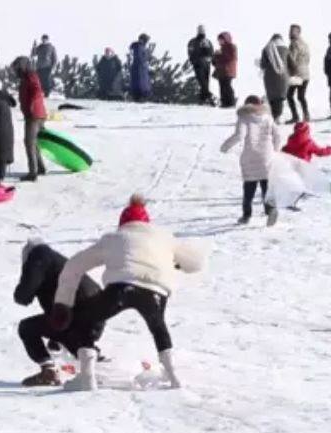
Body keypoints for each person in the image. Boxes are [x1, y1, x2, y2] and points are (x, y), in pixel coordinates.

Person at [51, 195, 204, 391]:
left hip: (120, 288)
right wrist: (179, 263)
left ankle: (87, 377)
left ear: (122, 223)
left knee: (85, 319)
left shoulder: (113, 238)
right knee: (158, 326)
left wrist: (63, 303)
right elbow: (196, 262)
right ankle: (173, 376)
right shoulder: (165, 238)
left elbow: (74, 266)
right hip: (156, 290)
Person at [15, 240, 104, 387]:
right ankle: (96, 363)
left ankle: (48, 371)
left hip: (78, 313)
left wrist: (25, 279)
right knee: (75, 342)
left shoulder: (38, 257)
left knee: (26, 328)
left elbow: (23, 296)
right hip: (95, 311)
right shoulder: (56, 263)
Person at [221, 95, 282, 225]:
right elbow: (278, 135)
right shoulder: (268, 117)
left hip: (250, 157)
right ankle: (271, 210)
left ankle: (246, 215)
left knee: (249, 188)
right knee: (267, 187)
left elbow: (239, 135)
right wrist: (275, 150)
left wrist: (225, 146)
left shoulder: (244, 117)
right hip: (267, 156)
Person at [14, 57, 48, 182]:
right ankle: (40, 168)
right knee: (34, 142)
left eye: (17, 67)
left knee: (29, 143)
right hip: (36, 114)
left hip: (34, 116)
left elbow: (36, 90)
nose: (15, 70)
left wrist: (31, 106)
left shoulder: (30, 76)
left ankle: (33, 173)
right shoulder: (27, 76)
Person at [260, 33, 289, 121]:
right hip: (284, 75)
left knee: (272, 97)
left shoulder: (266, 49)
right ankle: (278, 116)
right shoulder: (286, 49)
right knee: (280, 97)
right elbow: (291, 63)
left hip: (270, 76)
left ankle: (274, 116)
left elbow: (263, 64)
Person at [286, 24, 311, 123]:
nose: (290, 33)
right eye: (290, 30)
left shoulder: (294, 43)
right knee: (301, 96)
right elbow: (308, 58)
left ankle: (295, 116)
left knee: (289, 95)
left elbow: (292, 59)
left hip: (297, 74)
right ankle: (306, 115)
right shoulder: (305, 43)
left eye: (292, 31)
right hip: (306, 74)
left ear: (298, 32)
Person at [187, 25, 215, 105]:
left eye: (202, 30)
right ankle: (206, 98)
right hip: (199, 64)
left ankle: (204, 99)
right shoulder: (193, 41)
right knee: (202, 82)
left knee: (205, 82)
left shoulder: (207, 41)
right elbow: (190, 52)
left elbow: (211, 52)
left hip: (205, 63)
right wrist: (194, 61)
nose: (201, 31)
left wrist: (209, 58)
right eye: (200, 30)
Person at [213, 33, 237, 108]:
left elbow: (229, 58)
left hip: (227, 70)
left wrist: (219, 55)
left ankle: (230, 102)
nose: (219, 42)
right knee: (222, 86)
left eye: (221, 40)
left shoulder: (230, 47)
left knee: (226, 86)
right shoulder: (223, 48)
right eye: (219, 40)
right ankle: (225, 102)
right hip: (222, 71)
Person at [128, 34, 152, 102]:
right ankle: (140, 96)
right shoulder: (139, 47)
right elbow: (140, 58)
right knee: (140, 84)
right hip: (139, 70)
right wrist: (146, 59)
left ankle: (141, 96)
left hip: (141, 70)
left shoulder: (140, 47)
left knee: (141, 84)